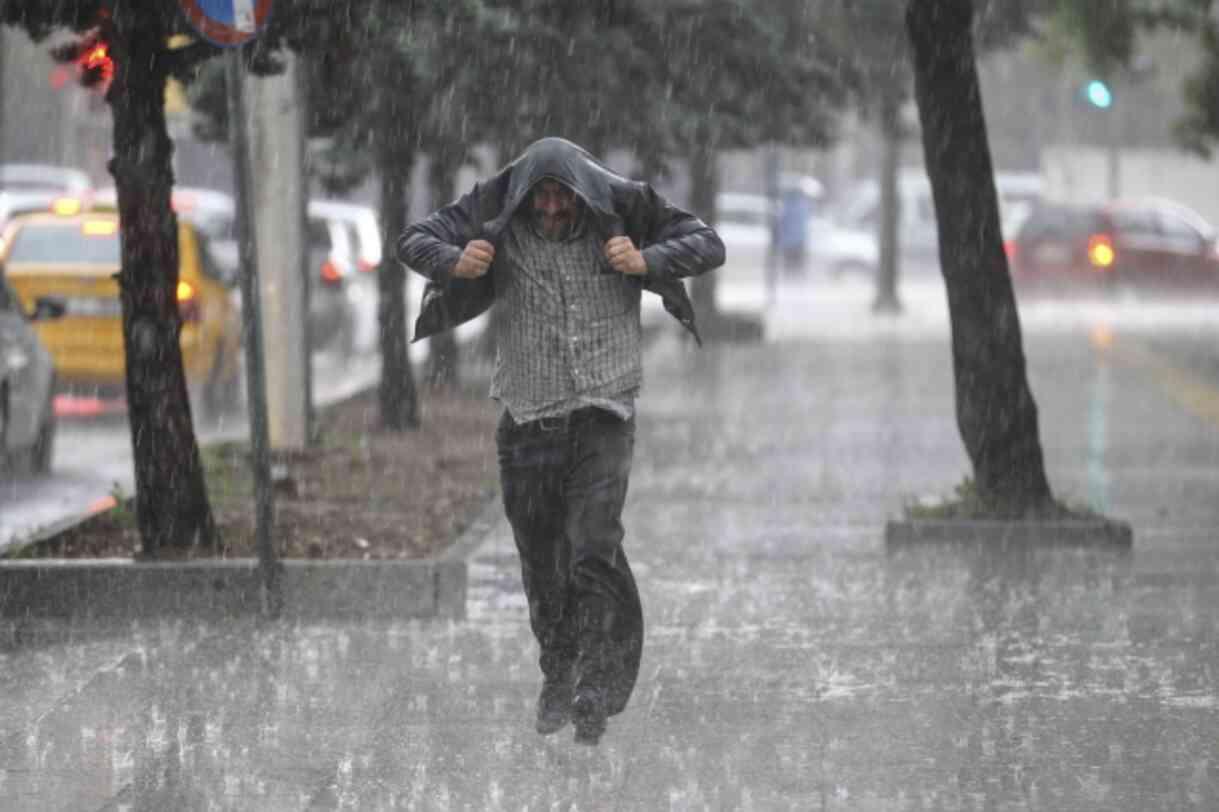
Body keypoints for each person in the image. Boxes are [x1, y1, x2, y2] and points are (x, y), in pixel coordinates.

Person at [397, 137, 724, 745]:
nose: (549, 210)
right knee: (543, 563)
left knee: (593, 546)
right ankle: (559, 670)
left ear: (581, 193)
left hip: (604, 410)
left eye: (560, 199)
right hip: (526, 417)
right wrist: (454, 261)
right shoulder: (496, 202)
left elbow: (709, 244)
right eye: (539, 200)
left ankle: (595, 686)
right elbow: (412, 239)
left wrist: (646, 259)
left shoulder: (622, 203)